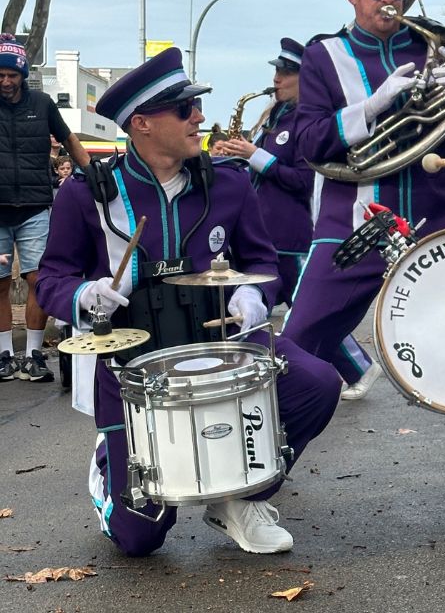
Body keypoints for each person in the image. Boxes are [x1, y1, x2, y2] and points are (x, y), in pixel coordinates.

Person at [34, 48, 340, 557]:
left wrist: (255, 294)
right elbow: (51, 279)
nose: (199, 117)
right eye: (185, 109)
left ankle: (244, 498)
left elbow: (267, 267)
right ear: (143, 124)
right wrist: (85, 295)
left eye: (195, 106)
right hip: (131, 370)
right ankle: (109, 464)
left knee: (317, 384)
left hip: (224, 353)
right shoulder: (88, 193)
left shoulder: (229, 183)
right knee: (139, 542)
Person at [283, 0, 445, 401]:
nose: (389, 0)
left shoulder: (433, 47)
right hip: (353, 221)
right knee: (296, 343)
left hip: (435, 210)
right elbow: (308, 141)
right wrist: (373, 106)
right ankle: (274, 446)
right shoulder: (324, 55)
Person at [0, 33, 90, 384]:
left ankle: (35, 355)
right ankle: (5, 355)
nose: (6, 82)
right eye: (0, 75)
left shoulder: (42, 103)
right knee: (0, 284)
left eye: (12, 75)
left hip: (36, 205)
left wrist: (91, 172)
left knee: (39, 280)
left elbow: (68, 138)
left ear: (22, 75)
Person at [218, 38, 315, 307]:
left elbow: (304, 181)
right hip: (259, 241)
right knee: (249, 320)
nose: (276, 79)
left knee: (309, 322)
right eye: (276, 71)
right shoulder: (273, 117)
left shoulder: (307, 120)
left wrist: (255, 155)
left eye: (285, 73)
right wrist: (234, 156)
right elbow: (256, 174)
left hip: (290, 242)